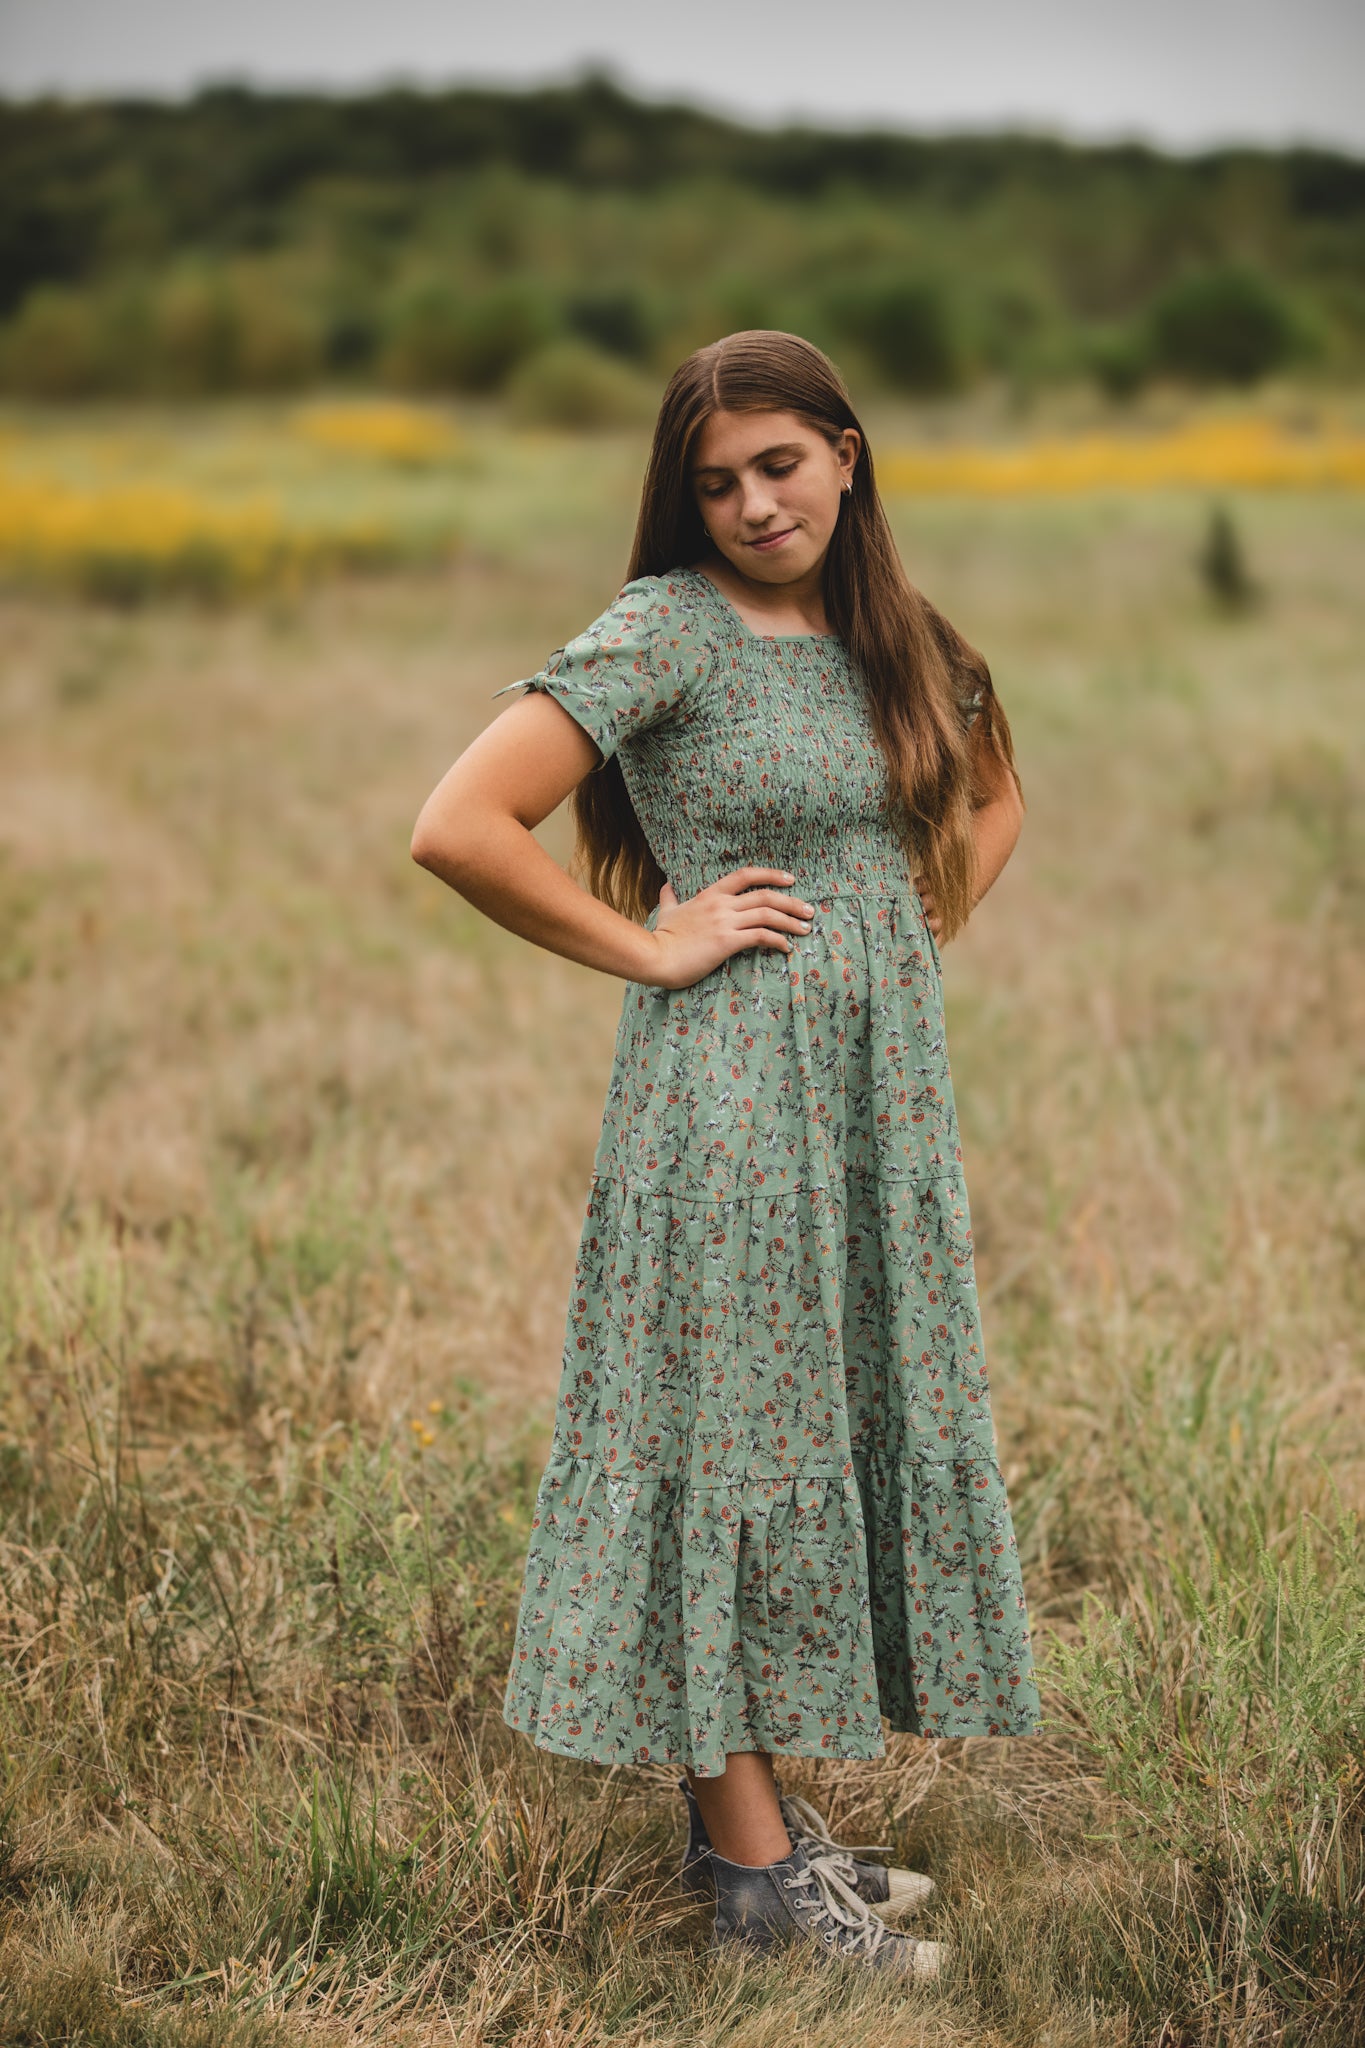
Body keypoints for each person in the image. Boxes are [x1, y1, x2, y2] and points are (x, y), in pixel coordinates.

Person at [411, 330, 1042, 1978]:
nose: (754, 503)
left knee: (820, 1415)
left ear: (845, 453)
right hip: (730, 1101)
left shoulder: (894, 633)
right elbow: (459, 826)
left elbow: (990, 796)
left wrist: (897, 945)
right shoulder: (666, 629)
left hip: (871, 1097)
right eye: (715, 482)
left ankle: (749, 1827)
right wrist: (658, 944)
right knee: (729, 1434)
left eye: (779, 464)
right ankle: (757, 1890)